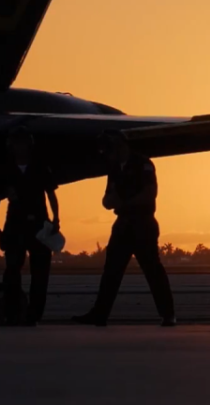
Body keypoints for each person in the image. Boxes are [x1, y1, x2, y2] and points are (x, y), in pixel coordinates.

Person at [73, 130, 175, 327]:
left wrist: (123, 202)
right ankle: (100, 314)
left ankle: (168, 314)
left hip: (142, 223)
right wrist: (114, 202)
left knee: (153, 270)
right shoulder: (114, 168)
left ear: (121, 146)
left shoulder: (143, 164)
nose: (109, 154)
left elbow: (150, 193)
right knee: (111, 271)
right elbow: (107, 199)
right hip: (123, 224)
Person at [0, 127, 59, 325]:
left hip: (39, 224)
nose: (20, 148)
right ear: (12, 146)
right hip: (15, 225)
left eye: (23, 143)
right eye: (16, 144)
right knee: (12, 270)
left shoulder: (40, 167)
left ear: (29, 145)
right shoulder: (6, 169)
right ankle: (13, 312)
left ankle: (34, 314)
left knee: (40, 272)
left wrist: (56, 220)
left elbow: (51, 194)